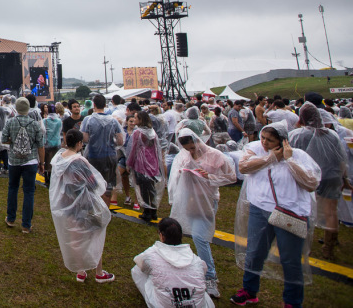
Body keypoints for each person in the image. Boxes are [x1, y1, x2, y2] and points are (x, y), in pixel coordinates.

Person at [232, 122, 320, 308]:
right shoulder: (255, 149)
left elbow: (311, 183)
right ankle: (249, 290)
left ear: (282, 141)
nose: (264, 142)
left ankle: (292, 301)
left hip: (290, 213)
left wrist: (289, 160)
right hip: (260, 209)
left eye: (270, 140)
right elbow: (244, 167)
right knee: (254, 253)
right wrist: (270, 158)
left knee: (290, 259)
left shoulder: (298, 156)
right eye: (263, 137)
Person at [168, 129, 237, 298]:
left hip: (207, 200)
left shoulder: (215, 155)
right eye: (188, 149)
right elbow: (175, 177)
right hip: (189, 200)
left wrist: (211, 177)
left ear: (198, 141)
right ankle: (196, 269)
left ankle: (210, 276)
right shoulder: (184, 155)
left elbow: (231, 177)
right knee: (194, 235)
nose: (192, 151)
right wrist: (181, 173)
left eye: (193, 147)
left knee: (200, 237)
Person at [50, 129, 114, 283]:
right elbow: (94, 183)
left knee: (76, 237)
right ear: (79, 143)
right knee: (96, 235)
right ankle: (99, 272)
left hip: (67, 204)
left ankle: (80, 271)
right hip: (85, 204)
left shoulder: (58, 159)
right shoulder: (79, 161)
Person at [288, 102, 350, 260]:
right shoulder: (332, 134)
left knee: (302, 210)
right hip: (332, 176)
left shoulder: (298, 134)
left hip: (309, 177)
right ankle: (328, 247)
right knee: (331, 212)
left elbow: (289, 158)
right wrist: (344, 178)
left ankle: (301, 244)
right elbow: (341, 159)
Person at [132, 217, 214, 308]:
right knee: (202, 290)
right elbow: (203, 271)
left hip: (165, 305)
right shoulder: (196, 260)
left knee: (137, 270)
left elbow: (139, 263)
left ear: (162, 236)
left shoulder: (152, 254)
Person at [2, 97, 45, 233]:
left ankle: (11, 218)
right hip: (30, 160)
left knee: (13, 188)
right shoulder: (35, 124)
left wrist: (14, 142)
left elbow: (3, 139)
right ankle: (26, 224)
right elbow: (41, 145)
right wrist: (42, 162)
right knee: (29, 192)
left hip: (14, 161)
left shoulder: (10, 122)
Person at [80, 94, 125, 206]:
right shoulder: (113, 121)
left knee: (93, 183)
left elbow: (84, 139)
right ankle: (106, 208)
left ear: (94, 105)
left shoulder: (88, 120)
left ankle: (95, 208)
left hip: (93, 155)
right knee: (108, 183)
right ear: (105, 105)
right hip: (110, 155)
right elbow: (120, 141)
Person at [127, 111, 164, 223]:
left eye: (136, 118)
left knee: (143, 188)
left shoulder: (137, 132)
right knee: (151, 187)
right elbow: (157, 149)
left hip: (141, 164)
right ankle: (153, 210)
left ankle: (147, 210)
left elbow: (133, 149)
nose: (134, 119)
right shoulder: (152, 132)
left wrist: (129, 163)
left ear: (141, 120)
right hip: (152, 162)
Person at [42, 105, 62, 188]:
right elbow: (60, 131)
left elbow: (43, 132)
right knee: (55, 161)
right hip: (57, 143)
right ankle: (53, 178)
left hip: (47, 144)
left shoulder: (45, 121)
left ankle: (47, 179)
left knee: (47, 162)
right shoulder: (59, 121)